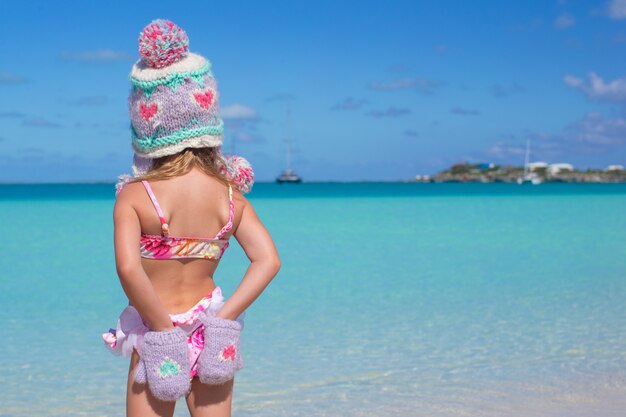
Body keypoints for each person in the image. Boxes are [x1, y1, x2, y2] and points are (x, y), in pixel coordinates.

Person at [102, 19, 281, 417]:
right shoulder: (230, 195)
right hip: (211, 331)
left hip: (156, 331)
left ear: (145, 122)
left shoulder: (136, 195)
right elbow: (268, 260)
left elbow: (129, 270)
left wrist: (164, 331)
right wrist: (226, 319)